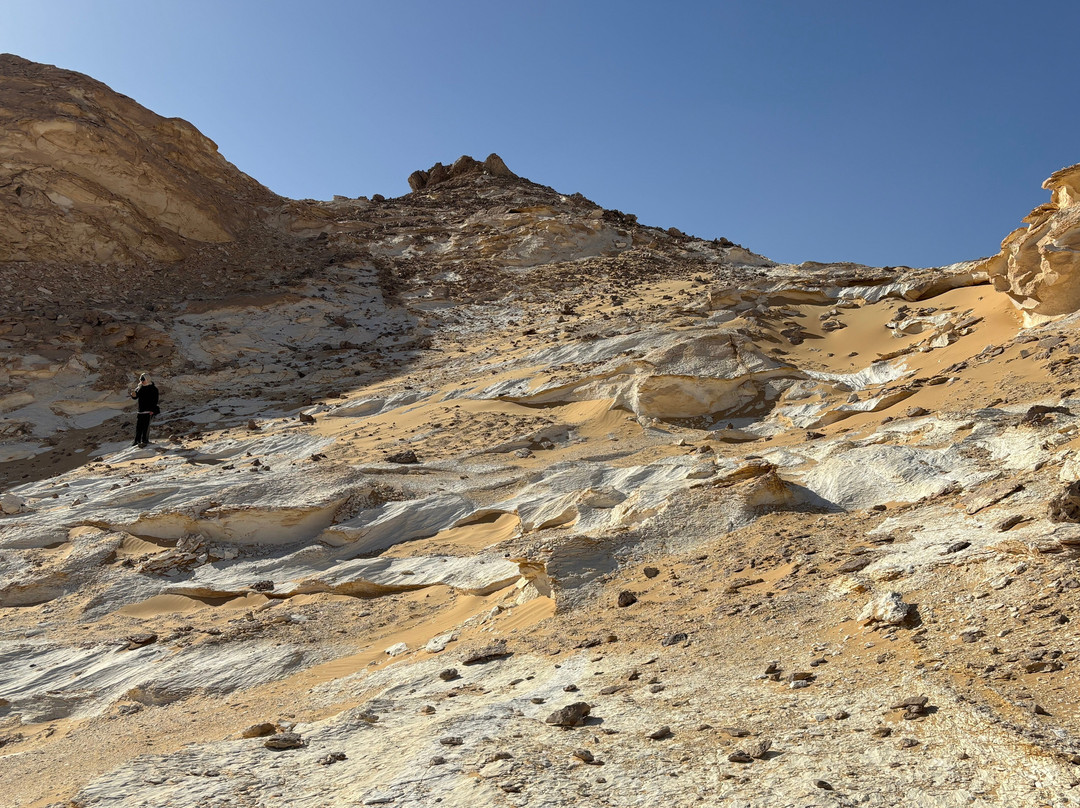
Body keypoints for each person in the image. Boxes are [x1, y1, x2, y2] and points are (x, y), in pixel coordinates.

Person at [130, 373, 160, 447]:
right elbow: (135, 396)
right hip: (141, 411)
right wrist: (133, 395)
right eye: (141, 379)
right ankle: (137, 441)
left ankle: (144, 440)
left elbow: (155, 400)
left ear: (147, 379)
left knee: (146, 427)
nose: (142, 381)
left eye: (143, 379)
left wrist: (152, 410)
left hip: (149, 411)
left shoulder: (153, 389)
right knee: (139, 427)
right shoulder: (139, 388)